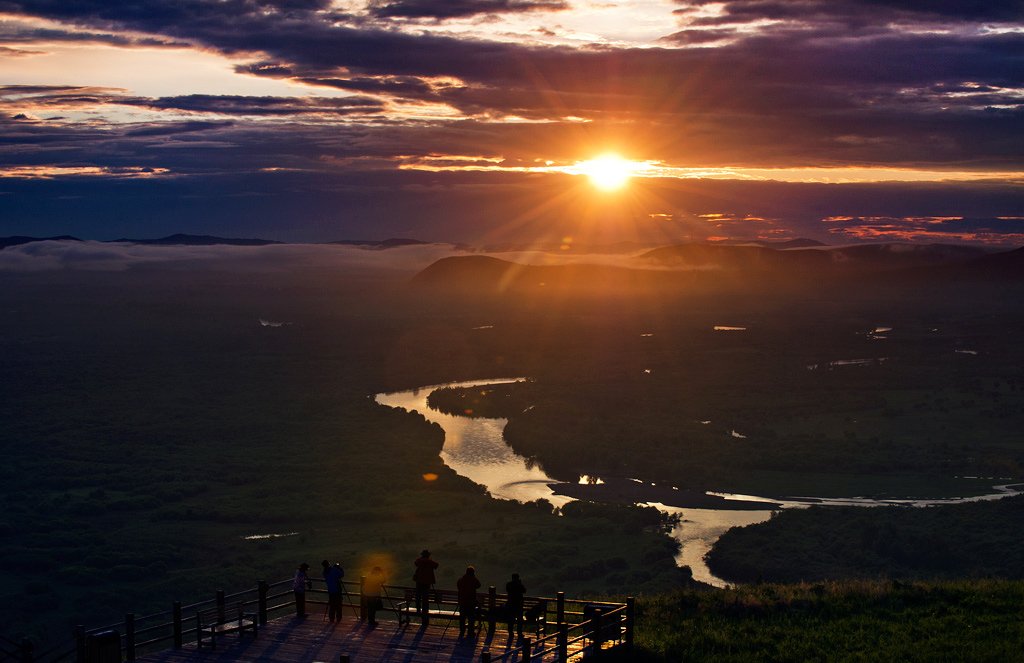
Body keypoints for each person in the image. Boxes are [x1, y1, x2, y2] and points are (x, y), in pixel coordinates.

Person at [412, 549, 438, 624]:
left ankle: (418, 607)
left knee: (418, 594)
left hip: (419, 580)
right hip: (427, 581)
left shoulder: (419, 561)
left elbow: (415, 563)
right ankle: (425, 609)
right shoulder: (430, 562)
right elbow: (436, 565)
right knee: (425, 596)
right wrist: (430, 560)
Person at [456, 566, 481, 636]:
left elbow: (458, 586)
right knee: (471, 618)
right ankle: (470, 632)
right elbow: (478, 585)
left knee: (462, 617)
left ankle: (462, 630)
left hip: (462, 601)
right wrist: (474, 577)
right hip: (470, 602)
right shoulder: (473, 580)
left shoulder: (461, 580)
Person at [505, 573, 526, 637]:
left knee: (511, 619)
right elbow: (524, 591)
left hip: (511, 604)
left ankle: (510, 632)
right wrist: (520, 583)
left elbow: (507, 590)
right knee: (519, 619)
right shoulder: (519, 585)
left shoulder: (508, 584)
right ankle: (519, 632)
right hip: (518, 604)